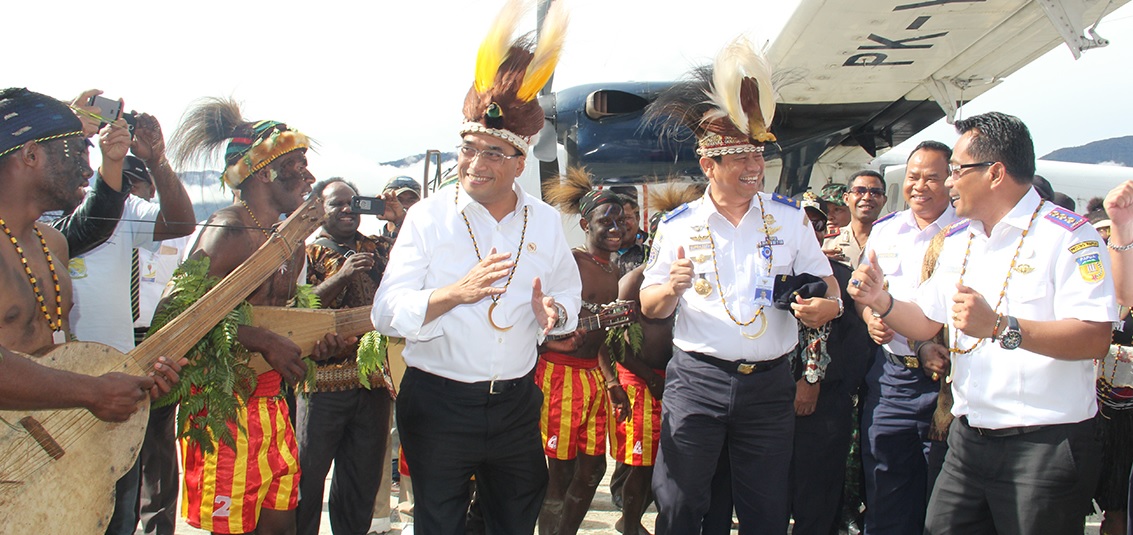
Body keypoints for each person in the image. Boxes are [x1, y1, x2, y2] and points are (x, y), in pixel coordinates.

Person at [848, 111, 1112, 534]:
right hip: (970, 440)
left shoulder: (1068, 237)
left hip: (1042, 445)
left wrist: (1000, 326)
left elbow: (1095, 338)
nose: (948, 182)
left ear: (995, 172)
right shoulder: (958, 239)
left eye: (955, 171)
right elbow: (923, 320)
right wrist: (882, 300)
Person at [371, 3, 579, 532]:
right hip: (439, 403)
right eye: (468, 149)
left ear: (519, 163)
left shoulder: (548, 223)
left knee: (514, 519)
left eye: (492, 152)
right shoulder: (427, 217)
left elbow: (569, 300)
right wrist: (452, 294)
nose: (475, 163)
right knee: (439, 523)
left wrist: (555, 311)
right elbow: (385, 312)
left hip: (515, 404)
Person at [640, 37, 840, 534]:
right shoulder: (678, 225)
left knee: (767, 508)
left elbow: (831, 290)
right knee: (680, 503)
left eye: (758, 157)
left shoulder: (790, 220)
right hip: (697, 381)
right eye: (740, 160)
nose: (754, 169)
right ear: (708, 165)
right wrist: (671, 290)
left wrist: (825, 309)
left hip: (770, 384)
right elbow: (650, 305)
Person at [167, 97, 345, 535]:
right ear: (266, 170)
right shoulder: (227, 230)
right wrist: (262, 341)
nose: (309, 177)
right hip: (223, 410)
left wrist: (314, 343)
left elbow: (285, 322)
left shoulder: (294, 240)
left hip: (273, 407)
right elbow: (176, 317)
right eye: (299, 165)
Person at [0, 87, 182, 416]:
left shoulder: (52, 243)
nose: (85, 171)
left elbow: (58, 359)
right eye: (71, 153)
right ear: (30, 155)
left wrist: (128, 383)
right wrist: (93, 391)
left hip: (51, 450)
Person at [66, 110, 195, 535]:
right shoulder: (41, 211)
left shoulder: (125, 206)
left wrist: (157, 160)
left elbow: (180, 223)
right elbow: (85, 223)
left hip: (120, 377)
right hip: (53, 381)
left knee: (120, 508)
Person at [855, 141, 957, 535]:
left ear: (951, 180)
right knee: (885, 490)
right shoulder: (885, 231)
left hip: (946, 385)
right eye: (913, 177)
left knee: (942, 502)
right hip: (893, 380)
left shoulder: (967, 233)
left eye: (932, 177)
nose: (920, 186)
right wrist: (869, 318)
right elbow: (863, 291)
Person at [297, 177, 396, 535]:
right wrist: (342, 275)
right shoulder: (306, 253)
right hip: (322, 387)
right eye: (335, 204)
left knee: (361, 481)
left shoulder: (378, 248)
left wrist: (397, 216)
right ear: (318, 210)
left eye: (352, 203)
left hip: (372, 385)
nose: (345, 210)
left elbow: (422, 259)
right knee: (307, 479)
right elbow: (300, 311)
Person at [540, 168, 626, 535]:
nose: (614, 227)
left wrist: (611, 382)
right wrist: (549, 339)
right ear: (584, 223)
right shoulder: (570, 262)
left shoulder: (617, 272)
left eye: (619, 220)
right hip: (558, 377)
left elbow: (605, 340)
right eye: (604, 220)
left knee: (592, 470)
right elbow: (536, 309)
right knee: (558, 475)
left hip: (592, 378)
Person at [611, 185, 701, 535]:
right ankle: (630, 525)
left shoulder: (697, 277)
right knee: (641, 464)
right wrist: (648, 377)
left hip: (676, 379)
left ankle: (634, 520)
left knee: (666, 462)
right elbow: (615, 342)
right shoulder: (634, 280)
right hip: (642, 381)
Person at [787, 192, 877, 535]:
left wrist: (815, 384)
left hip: (825, 406)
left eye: (818, 224)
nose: (811, 231)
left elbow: (856, 347)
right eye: (803, 225)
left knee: (818, 497)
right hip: (771, 400)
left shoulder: (842, 278)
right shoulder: (770, 271)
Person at [823, 170, 885, 268]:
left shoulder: (894, 241)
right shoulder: (827, 242)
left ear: (884, 200)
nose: (867, 197)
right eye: (859, 191)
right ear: (846, 199)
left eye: (875, 192)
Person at [379, 175, 421, 241]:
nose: (405, 205)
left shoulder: (428, 242)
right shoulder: (372, 246)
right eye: (398, 200)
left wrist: (400, 220)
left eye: (411, 200)